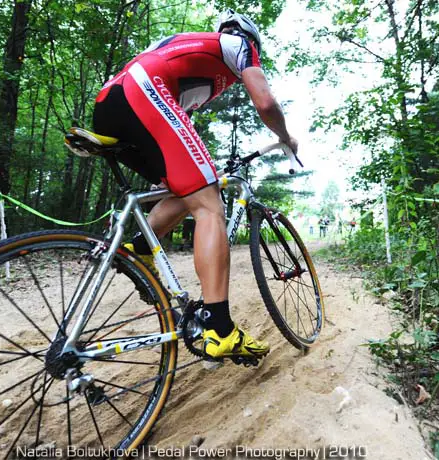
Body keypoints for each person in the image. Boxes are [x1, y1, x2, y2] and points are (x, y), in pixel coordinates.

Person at [90, 9, 298, 362]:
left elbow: (174, 123)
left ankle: (140, 247)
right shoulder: (238, 45)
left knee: (189, 188)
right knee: (209, 202)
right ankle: (220, 328)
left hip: (110, 100)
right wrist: (285, 137)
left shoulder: (190, 52)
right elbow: (265, 103)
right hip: (143, 91)